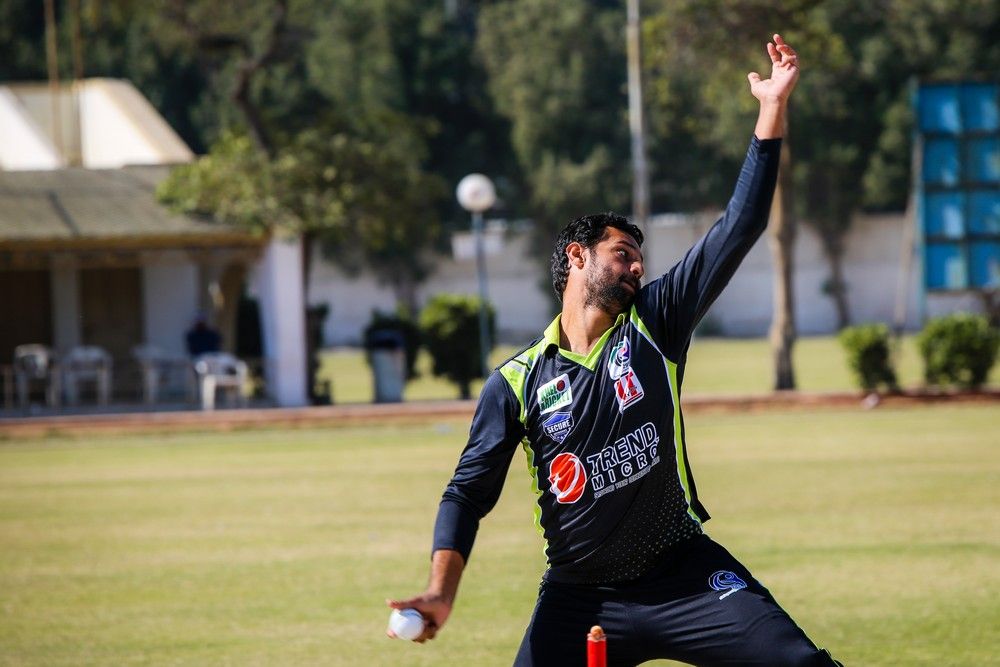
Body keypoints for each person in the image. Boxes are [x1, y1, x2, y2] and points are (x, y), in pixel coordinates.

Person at [388, 34, 841, 666]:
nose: (636, 268)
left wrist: (771, 109)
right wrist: (441, 590)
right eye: (622, 254)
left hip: (685, 576)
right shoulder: (516, 382)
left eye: (639, 259)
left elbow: (738, 227)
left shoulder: (655, 323)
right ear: (576, 257)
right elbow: (467, 492)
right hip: (581, 598)